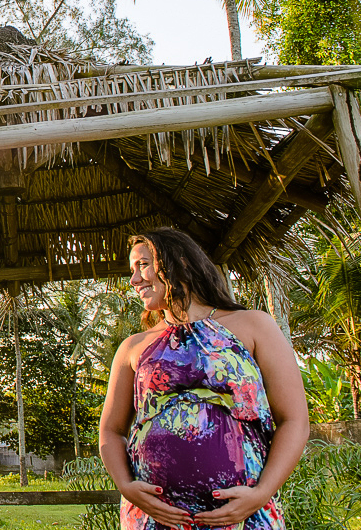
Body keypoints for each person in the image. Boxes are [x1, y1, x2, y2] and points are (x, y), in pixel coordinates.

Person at [99, 227, 309, 530]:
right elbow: (110, 430)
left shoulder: (253, 326)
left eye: (142, 265)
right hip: (154, 518)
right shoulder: (134, 347)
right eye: (132, 270)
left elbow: (294, 420)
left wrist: (262, 493)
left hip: (244, 514)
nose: (134, 280)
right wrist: (126, 486)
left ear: (180, 262)